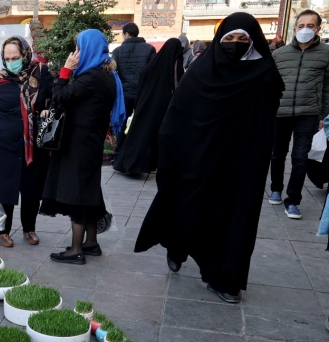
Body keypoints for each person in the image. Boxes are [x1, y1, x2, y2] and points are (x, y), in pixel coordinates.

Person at [134, 13, 284, 303]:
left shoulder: (265, 74)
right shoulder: (201, 72)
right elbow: (177, 119)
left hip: (241, 164)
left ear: (254, 43)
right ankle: (177, 246)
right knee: (188, 208)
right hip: (198, 160)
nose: (236, 44)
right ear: (220, 40)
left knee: (231, 219)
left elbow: (267, 119)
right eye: (230, 39)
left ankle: (223, 278)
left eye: (244, 39)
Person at [40, 29, 125, 265]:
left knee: (77, 192)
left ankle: (75, 249)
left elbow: (60, 97)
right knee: (88, 191)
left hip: (80, 142)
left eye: (79, 48)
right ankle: (91, 243)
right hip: (89, 141)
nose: (76, 53)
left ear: (88, 49)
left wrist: (65, 70)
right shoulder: (104, 75)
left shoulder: (91, 79)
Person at [0, 36, 53, 248]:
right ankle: (3, 230)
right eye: (7, 58)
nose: (11, 61)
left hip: (33, 146)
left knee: (31, 190)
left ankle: (29, 229)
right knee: (5, 190)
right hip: (2, 145)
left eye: (16, 57)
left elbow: (55, 98)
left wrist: (48, 107)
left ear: (25, 55)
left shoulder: (41, 74)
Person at [269, 9, 329, 219]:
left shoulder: (325, 54)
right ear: (294, 28)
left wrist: (323, 115)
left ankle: (293, 200)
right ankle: (276, 188)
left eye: (310, 26)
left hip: (308, 114)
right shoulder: (279, 54)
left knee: (300, 157)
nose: (305, 30)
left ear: (318, 28)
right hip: (280, 112)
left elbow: (327, 88)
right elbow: (270, 86)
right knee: (277, 154)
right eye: (301, 26)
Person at [113, 39, 184, 174]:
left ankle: (126, 162)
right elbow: (179, 87)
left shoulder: (153, 66)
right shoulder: (174, 64)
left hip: (142, 103)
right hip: (162, 107)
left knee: (137, 132)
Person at [112, 23, 156, 157]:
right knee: (140, 123)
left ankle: (119, 153)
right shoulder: (149, 49)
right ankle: (137, 154)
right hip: (142, 93)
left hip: (124, 93)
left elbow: (114, 72)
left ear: (126, 34)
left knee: (123, 123)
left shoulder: (118, 51)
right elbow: (152, 72)